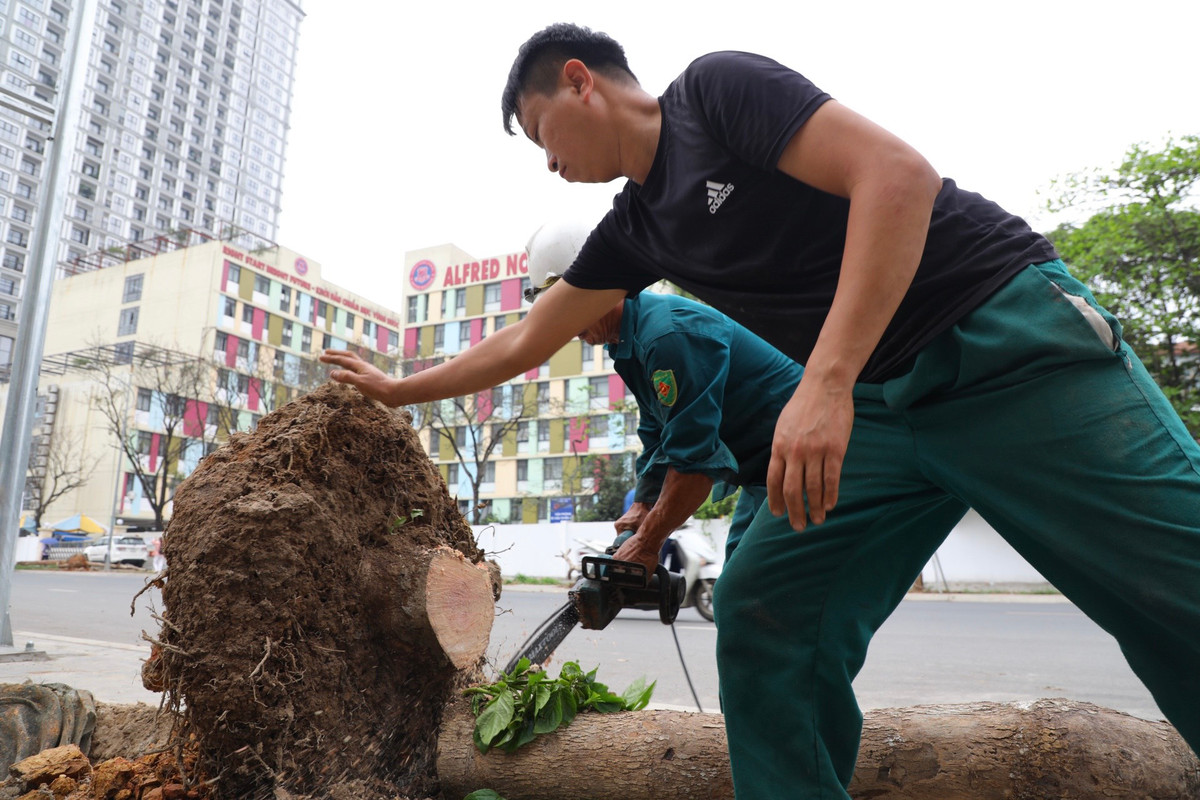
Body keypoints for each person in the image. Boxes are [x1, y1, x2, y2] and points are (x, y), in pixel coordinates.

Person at [322, 23, 1200, 798]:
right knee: (764, 614)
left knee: (1174, 590)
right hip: (879, 409)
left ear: (580, 81)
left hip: (998, 341)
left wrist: (826, 381)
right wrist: (396, 389)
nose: (549, 162)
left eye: (540, 132)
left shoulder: (715, 94)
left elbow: (897, 177)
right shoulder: (635, 230)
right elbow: (522, 341)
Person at [524, 221, 803, 561]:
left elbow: (695, 464)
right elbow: (657, 433)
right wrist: (643, 503)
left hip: (811, 453)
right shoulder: (628, 342)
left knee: (751, 588)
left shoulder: (666, 337)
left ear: (596, 286)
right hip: (767, 471)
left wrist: (646, 543)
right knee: (739, 577)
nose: (565, 327)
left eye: (565, 307)